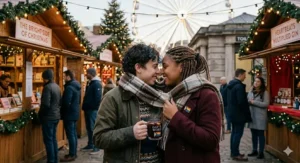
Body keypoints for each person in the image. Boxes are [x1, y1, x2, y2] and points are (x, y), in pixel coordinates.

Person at [93, 44, 163, 163]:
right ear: (139, 68)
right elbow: (99, 138)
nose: (158, 71)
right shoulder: (113, 97)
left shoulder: (158, 96)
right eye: (154, 66)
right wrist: (131, 133)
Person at [162, 46, 224, 163]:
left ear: (181, 67)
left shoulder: (207, 95)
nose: (161, 71)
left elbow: (211, 139)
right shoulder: (172, 94)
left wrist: (175, 117)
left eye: (165, 66)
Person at [227, 69, 252, 161]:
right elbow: (241, 102)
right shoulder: (239, 86)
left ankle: (233, 151)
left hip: (233, 113)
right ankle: (235, 154)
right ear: (240, 75)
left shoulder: (231, 85)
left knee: (234, 133)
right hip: (239, 114)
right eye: (244, 75)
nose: (245, 77)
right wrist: (246, 113)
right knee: (237, 133)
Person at [38, 69, 61, 163]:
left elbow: (46, 105)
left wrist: (40, 115)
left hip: (48, 117)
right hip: (55, 116)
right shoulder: (57, 86)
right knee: (53, 139)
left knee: (48, 140)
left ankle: (51, 160)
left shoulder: (47, 88)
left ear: (45, 78)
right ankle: (55, 159)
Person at [60, 70, 81, 162]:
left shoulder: (69, 88)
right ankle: (73, 153)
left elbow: (65, 102)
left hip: (69, 114)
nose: (63, 78)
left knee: (71, 134)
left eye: (64, 76)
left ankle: (72, 154)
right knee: (73, 134)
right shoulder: (76, 86)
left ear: (68, 77)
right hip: (74, 113)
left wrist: (62, 111)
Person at [81, 68, 102, 154]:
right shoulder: (91, 83)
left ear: (91, 74)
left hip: (92, 110)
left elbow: (97, 98)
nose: (86, 75)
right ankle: (90, 144)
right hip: (89, 109)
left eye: (87, 73)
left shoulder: (96, 84)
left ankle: (96, 147)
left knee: (93, 128)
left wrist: (93, 107)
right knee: (89, 128)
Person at [247, 77, 269, 159]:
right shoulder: (250, 91)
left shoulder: (265, 92)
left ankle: (261, 152)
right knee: (253, 134)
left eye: (258, 81)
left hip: (260, 117)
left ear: (261, 83)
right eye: (255, 81)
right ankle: (254, 150)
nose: (256, 83)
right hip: (252, 116)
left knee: (260, 134)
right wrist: (249, 101)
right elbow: (248, 100)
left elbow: (266, 104)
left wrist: (254, 102)